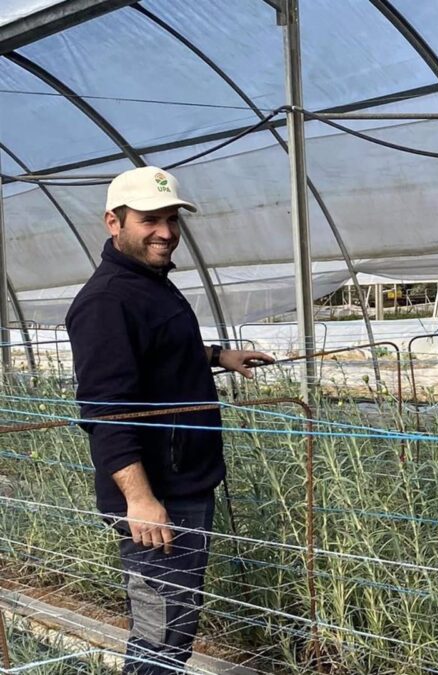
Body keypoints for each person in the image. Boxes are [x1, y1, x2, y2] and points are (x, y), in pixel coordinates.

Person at [66, 166, 274, 674]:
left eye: (171, 219)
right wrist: (140, 499)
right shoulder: (106, 301)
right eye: (149, 220)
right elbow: (105, 411)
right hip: (158, 497)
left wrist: (218, 355)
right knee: (161, 635)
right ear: (113, 222)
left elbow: (159, 351)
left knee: (173, 626)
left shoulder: (150, 284)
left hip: (183, 483)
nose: (165, 231)